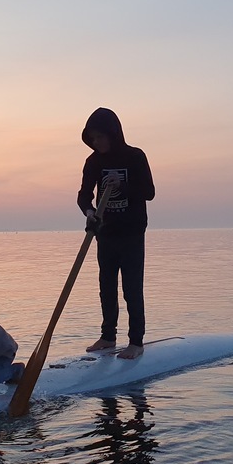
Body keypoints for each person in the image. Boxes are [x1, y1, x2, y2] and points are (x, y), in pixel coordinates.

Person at [77, 107, 155, 359]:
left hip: (132, 233)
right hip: (106, 233)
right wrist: (90, 212)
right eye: (92, 138)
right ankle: (108, 337)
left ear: (113, 134)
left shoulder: (135, 156)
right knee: (106, 287)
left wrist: (122, 185)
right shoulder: (93, 162)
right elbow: (83, 196)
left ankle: (136, 342)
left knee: (132, 288)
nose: (96, 142)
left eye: (100, 137)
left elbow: (149, 192)